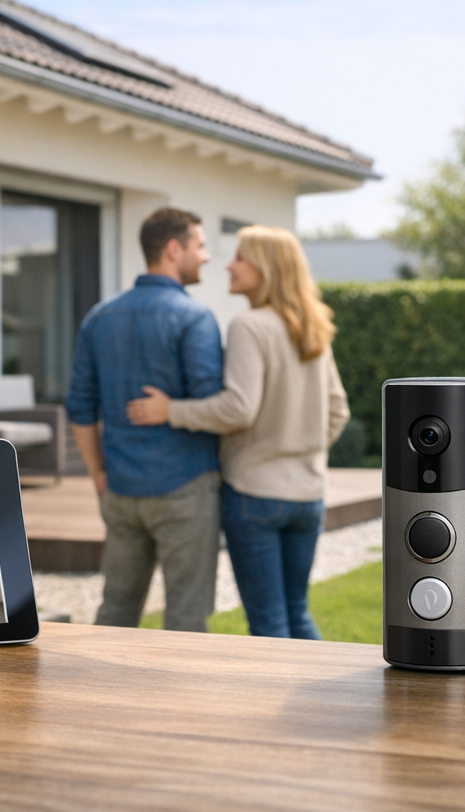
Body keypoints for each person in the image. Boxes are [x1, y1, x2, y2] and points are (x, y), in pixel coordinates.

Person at [126, 225, 349, 639]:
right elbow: (338, 410)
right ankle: (317, 702)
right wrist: (301, 449)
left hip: (255, 497)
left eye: (240, 257)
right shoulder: (313, 326)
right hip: (308, 495)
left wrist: (169, 410)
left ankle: (282, 706)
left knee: (269, 622)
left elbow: (237, 409)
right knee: (297, 613)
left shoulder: (250, 325)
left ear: (266, 267)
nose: (229, 265)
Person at [65, 207, 223, 632]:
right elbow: (215, 407)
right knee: (187, 620)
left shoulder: (99, 317)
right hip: (186, 489)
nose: (207, 256)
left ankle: (101, 697)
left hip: (120, 490)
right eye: (201, 245)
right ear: (174, 249)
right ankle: (183, 703)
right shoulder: (196, 318)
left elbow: (79, 407)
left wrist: (98, 472)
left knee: (115, 612)